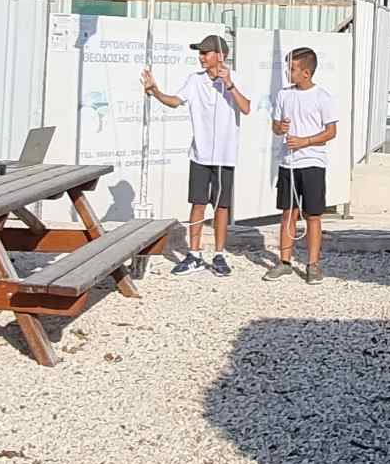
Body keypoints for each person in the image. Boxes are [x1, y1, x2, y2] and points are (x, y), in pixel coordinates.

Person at [141, 34, 251, 276]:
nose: (201, 57)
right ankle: (194, 254)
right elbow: (175, 101)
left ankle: (219, 254)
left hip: (224, 156)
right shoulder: (194, 79)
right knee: (198, 204)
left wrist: (229, 84)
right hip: (200, 155)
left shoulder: (236, 78)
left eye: (205, 53)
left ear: (220, 56)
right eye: (199, 53)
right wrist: (155, 92)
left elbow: (246, 108)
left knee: (221, 206)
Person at [264, 46, 339, 284]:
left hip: (312, 163)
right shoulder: (283, 95)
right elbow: (276, 127)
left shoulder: (322, 97)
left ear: (306, 73)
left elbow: (331, 131)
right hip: (288, 163)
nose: (288, 72)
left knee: (312, 215)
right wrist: (280, 128)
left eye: (292, 69)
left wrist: (305, 141)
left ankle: (312, 265)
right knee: (288, 212)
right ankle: (284, 262)